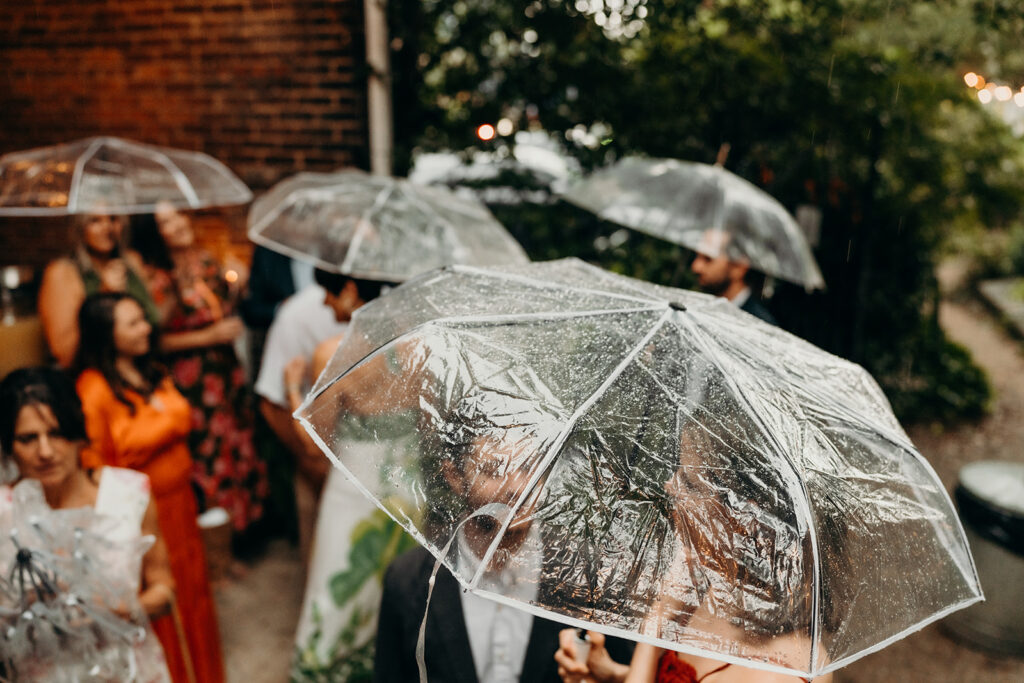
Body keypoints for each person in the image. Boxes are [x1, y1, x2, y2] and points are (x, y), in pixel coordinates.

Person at [375, 424, 634, 683]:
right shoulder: (409, 581)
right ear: (454, 476)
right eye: (495, 470)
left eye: (528, 467)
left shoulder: (587, 574)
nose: (518, 487)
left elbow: (627, 670)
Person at [73, 292, 226, 683]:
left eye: (144, 319)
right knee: (158, 597)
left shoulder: (154, 371)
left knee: (191, 592)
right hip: (143, 516)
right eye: (133, 323)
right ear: (106, 335)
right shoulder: (93, 389)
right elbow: (93, 464)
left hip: (181, 505)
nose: (146, 328)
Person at [0, 366, 174, 682]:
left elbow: (164, 591)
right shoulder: (3, 512)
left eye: (57, 433)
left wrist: (114, 609)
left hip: (127, 670)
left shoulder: (127, 495)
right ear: (8, 446)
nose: (45, 451)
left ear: (78, 434)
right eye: (28, 438)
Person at [133, 200, 268, 545]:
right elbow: (153, 340)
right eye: (166, 221)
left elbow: (221, 309)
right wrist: (207, 335)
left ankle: (241, 531)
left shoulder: (207, 260)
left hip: (225, 373)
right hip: (189, 378)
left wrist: (237, 286)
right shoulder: (155, 277)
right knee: (205, 455)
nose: (178, 223)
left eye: (178, 214)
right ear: (154, 233)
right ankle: (212, 543)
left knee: (235, 445)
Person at [38, 211, 159, 367]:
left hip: (143, 369)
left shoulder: (132, 261)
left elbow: (155, 322)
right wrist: (104, 293)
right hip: (94, 376)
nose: (107, 227)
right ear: (79, 227)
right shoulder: (62, 272)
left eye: (113, 218)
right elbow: (65, 354)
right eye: (95, 221)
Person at [690, 230, 776, 325]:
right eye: (697, 256)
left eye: (708, 259)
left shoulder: (759, 325)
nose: (696, 267)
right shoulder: (694, 306)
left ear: (738, 267)